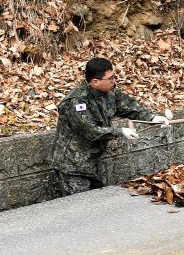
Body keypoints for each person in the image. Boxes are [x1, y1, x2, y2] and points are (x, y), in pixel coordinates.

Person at [49, 57, 169, 197]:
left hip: (92, 163)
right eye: (110, 78)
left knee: (95, 206)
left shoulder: (109, 92)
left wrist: (152, 117)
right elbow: (90, 131)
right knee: (80, 208)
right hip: (72, 166)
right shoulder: (75, 102)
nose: (114, 81)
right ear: (95, 81)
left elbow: (129, 107)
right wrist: (120, 131)